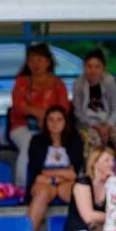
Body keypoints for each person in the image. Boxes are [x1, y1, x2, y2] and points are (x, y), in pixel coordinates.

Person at [9, 43, 71, 187]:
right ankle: (22, 187)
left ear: (48, 62)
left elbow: (64, 109)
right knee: (29, 144)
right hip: (22, 127)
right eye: (32, 60)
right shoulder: (21, 82)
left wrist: (48, 119)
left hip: (52, 128)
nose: (36, 64)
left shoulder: (58, 83)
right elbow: (18, 106)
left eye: (40, 60)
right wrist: (41, 114)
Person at [25, 105, 84, 231]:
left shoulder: (75, 140)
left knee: (78, 193)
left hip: (66, 183)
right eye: (51, 119)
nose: (55, 123)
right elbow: (38, 172)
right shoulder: (37, 141)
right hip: (44, 183)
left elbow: (74, 173)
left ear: (65, 122)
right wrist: (63, 174)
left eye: (59, 119)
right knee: (42, 193)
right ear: (45, 122)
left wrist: (52, 176)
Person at [73, 49, 116, 163]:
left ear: (103, 68)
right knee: (93, 138)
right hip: (87, 123)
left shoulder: (110, 82)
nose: (93, 70)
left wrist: (108, 125)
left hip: (109, 120)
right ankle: (93, 171)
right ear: (84, 67)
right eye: (89, 66)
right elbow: (78, 112)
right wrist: (96, 126)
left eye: (97, 66)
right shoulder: (78, 84)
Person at [64, 147, 112, 231]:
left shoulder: (110, 184)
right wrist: (114, 217)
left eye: (113, 160)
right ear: (95, 163)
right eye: (107, 160)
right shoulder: (82, 184)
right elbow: (88, 217)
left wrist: (115, 184)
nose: (111, 163)